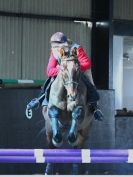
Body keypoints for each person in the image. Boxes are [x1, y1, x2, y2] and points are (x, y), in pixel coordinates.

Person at [27, 32, 103, 121]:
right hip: (63, 73)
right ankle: (39, 100)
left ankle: (95, 108)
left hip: (79, 70)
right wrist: (63, 69)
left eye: (57, 46)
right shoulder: (54, 52)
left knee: (89, 84)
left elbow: (86, 63)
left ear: (64, 44)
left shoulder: (76, 48)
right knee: (49, 83)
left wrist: (73, 68)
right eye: (53, 46)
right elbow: (49, 71)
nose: (55, 48)